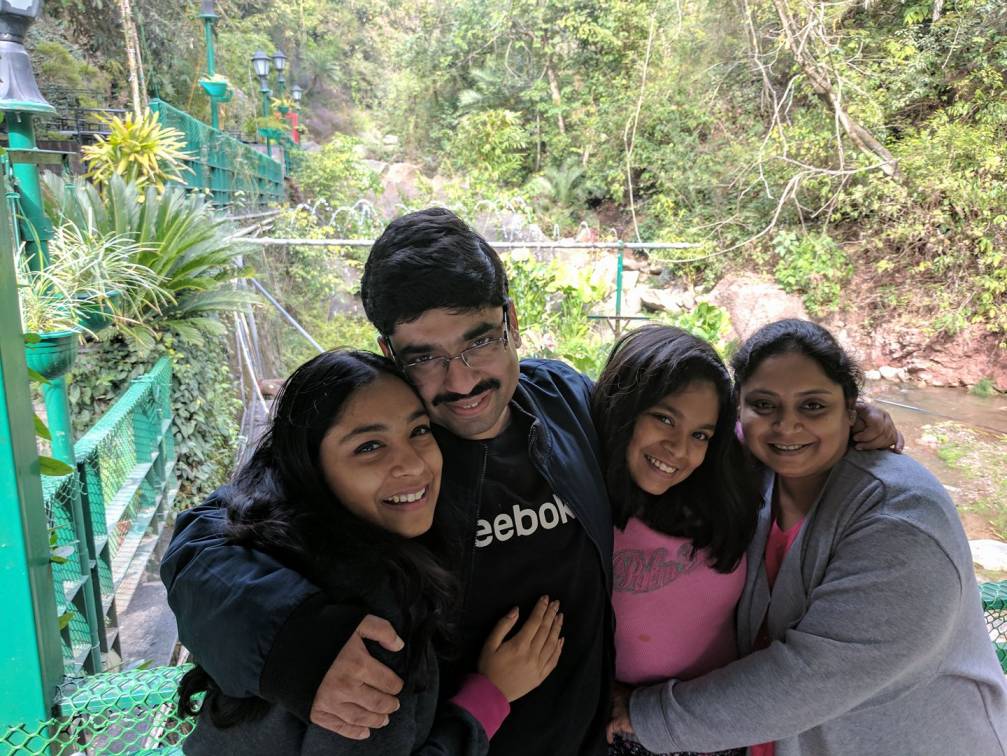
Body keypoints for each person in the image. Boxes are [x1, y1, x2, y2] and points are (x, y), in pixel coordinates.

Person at [162, 209, 615, 755]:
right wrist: (295, 646)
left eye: (480, 342)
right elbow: (202, 544)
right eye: (426, 357)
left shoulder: (568, 399)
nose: (463, 379)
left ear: (511, 322)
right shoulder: (381, 456)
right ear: (389, 354)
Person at [610, 319, 1007, 756]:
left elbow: (812, 676)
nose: (787, 426)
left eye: (813, 406)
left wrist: (643, 714)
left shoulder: (902, 519)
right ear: (738, 409)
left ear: (850, 407)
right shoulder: (752, 472)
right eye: (764, 404)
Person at [177, 350, 564, 754]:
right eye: (369, 446)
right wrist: (489, 696)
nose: (413, 465)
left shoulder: (269, 540)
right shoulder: (373, 623)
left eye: (418, 431)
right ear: (309, 464)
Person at [591, 325, 755, 756]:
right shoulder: (582, 493)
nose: (679, 450)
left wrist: (866, 421)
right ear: (624, 408)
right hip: (617, 728)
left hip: (711, 724)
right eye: (664, 418)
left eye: (700, 434)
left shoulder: (725, 479)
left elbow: (795, 435)